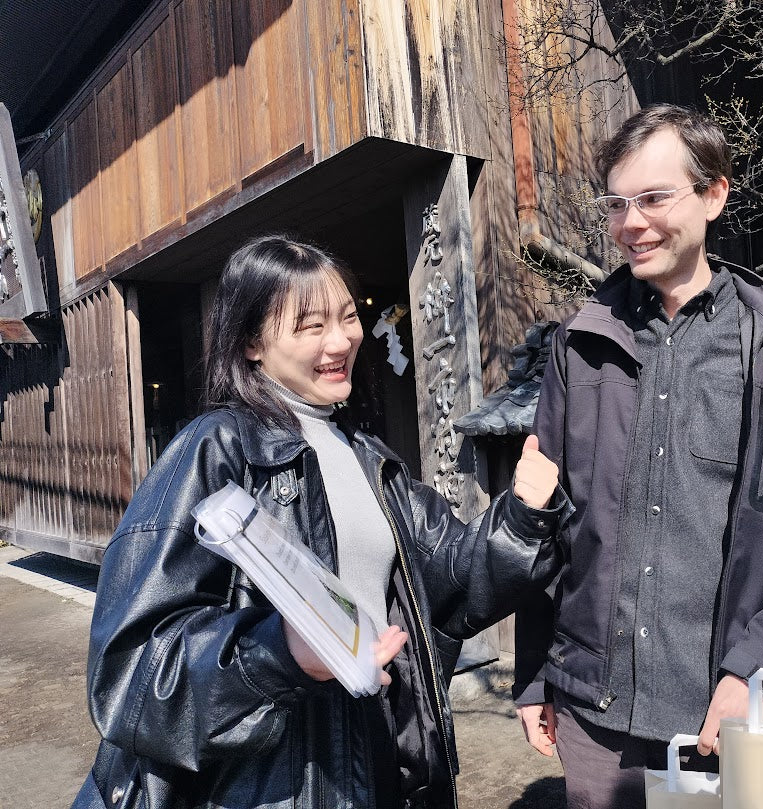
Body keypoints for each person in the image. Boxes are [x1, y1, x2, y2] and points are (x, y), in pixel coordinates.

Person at [72, 235, 568, 809]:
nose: (341, 340)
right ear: (253, 343)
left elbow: (454, 581)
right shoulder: (212, 451)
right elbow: (128, 676)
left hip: (374, 757)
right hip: (268, 786)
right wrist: (278, 651)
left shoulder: (365, 455)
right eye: (310, 325)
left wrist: (524, 514)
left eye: (348, 317)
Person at [512, 103, 763, 808]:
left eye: (654, 197)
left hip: (721, 712)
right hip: (591, 707)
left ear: (713, 193)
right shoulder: (578, 345)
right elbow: (545, 521)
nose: (630, 222)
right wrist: (534, 673)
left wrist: (748, 669)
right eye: (616, 203)